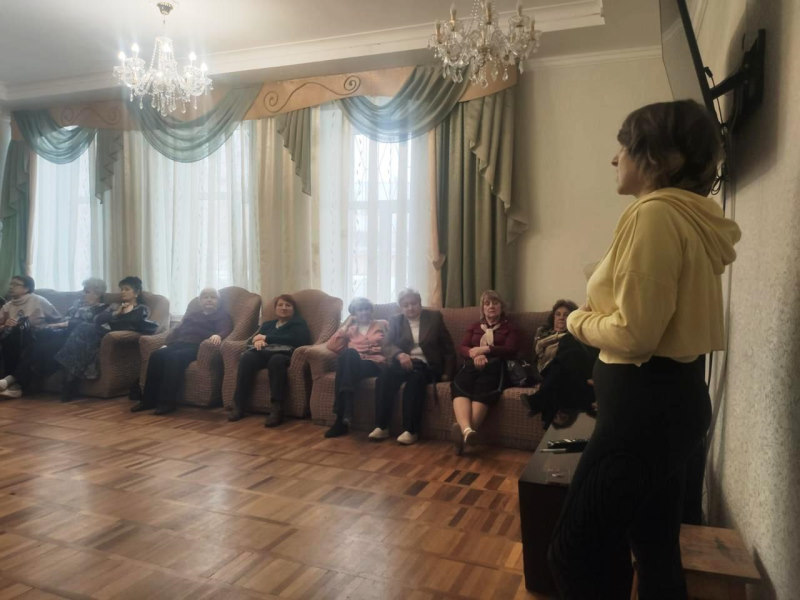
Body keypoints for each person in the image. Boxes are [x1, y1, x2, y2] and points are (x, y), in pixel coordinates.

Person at [547, 100, 741, 599]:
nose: (615, 158)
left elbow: (635, 334)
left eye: (625, 146)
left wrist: (576, 320)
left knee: (574, 554)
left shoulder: (654, 215)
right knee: (654, 551)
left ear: (659, 158)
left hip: (644, 412)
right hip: (669, 405)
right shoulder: (689, 216)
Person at [369, 288, 455, 445]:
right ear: (401, 308)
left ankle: (411, 430)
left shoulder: (434, 317)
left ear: (420, 303)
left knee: (415, 380)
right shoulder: (396, 320)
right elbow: (387, 345)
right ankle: (382, 426)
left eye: (414, 303)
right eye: (406, 305)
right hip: (403, 363)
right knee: (384, 377)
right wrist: (400, 355)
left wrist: (447, 374)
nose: (410, 308)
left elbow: (448, 347)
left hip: (428, 366)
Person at [0, 278, 107, 399]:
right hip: (59, 334)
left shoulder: (102, 309)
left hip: (72, 339)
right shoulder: (77, 304)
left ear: (97, 294)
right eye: (83, 290)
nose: (83, 294)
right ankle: (15, 386)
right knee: (35, 347)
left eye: (87, 291)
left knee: (40, 349)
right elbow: (64, 318)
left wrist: (58, 325)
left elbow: (88, 326)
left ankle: (10, 382)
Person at [132, 288, 233, 415]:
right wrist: (167, 344)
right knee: (156, 355)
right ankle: (148, 400)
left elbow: (226, 329)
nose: (209, 300)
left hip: (197, 346)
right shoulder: (193, 315)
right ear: (200, 301)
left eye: (213, 297)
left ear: (219, 301)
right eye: (205, 297)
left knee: (174, 358)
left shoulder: (221, 316)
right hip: (179, 343)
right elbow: (177, 330)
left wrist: (218, 335)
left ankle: (167, 402)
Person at [55, 276, 156, 402]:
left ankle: (69, 379)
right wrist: (115, 313)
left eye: (127, 289)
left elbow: (137, 324)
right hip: (97, 332)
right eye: (121, 289)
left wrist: (123, 313)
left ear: (136, 293)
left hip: (111, 336)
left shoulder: (141, 309)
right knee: (85, 328)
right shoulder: (115, 306)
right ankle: (69, 380)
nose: (123, 292)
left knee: (85, 327)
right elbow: (97, 319)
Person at [450, 290, 521, 455]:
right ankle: (467, 431)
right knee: (460, 384)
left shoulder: (510, 328)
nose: (491, 306)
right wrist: (473, 354)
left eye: (495, 303)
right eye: (487, 303)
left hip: (497, 367)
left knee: (483, 387)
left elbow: (511, 349)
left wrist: (486, 350)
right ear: (482, 308)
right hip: (472, 364)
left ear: (501, 307)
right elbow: (463, 347)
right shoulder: (475, 326)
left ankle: (462, 434)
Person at [228, 294, 311, 426]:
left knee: (276, 360)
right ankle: (239, 405)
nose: (284, 308)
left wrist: (267, 338)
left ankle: (277, 409)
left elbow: (299, 340)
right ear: (275, 308)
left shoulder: (298, 323)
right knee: (247, 358)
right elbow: (253, 339)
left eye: (288, 305)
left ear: (293, 309)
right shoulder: (268, 325)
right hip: (264, 353)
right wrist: (256, 342)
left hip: (285, 354)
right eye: (280, 305)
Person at [521, 299, 598, 427]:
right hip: (549, 369)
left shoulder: (577, 336)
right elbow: (535, 359)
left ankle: (540, 400)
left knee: (568, 345)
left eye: (566, 315)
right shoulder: (542, 334)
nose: (561, 317)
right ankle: (543, 400)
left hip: (567, 372)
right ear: (553, 317)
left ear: (573, 318)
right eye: (558, 314)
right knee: (568, 346)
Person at [324, 297, 388, 438]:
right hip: (354, 364)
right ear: (354, 313)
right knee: (348, 354)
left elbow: (393, 342)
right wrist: (347, 324)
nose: (364, 312)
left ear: (371, 311)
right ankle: (345, 411)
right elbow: (332, 346)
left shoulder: (382, 324)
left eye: (366, 309)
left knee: (345, 362)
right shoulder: (350, 329)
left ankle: (341, 417)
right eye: (360, 310)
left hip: (375, 363)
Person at [0, 275, 60, 390]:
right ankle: (10, 383)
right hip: (13, 337)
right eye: (11, 284)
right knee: (10, 336)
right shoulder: (8, 306)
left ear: (27, 288)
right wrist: (5, 325)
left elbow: (58, 319)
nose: (11, 287)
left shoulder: (39, 301)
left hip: (36, 336)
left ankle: (9, 382)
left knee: (14, 337)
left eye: (15, 284)